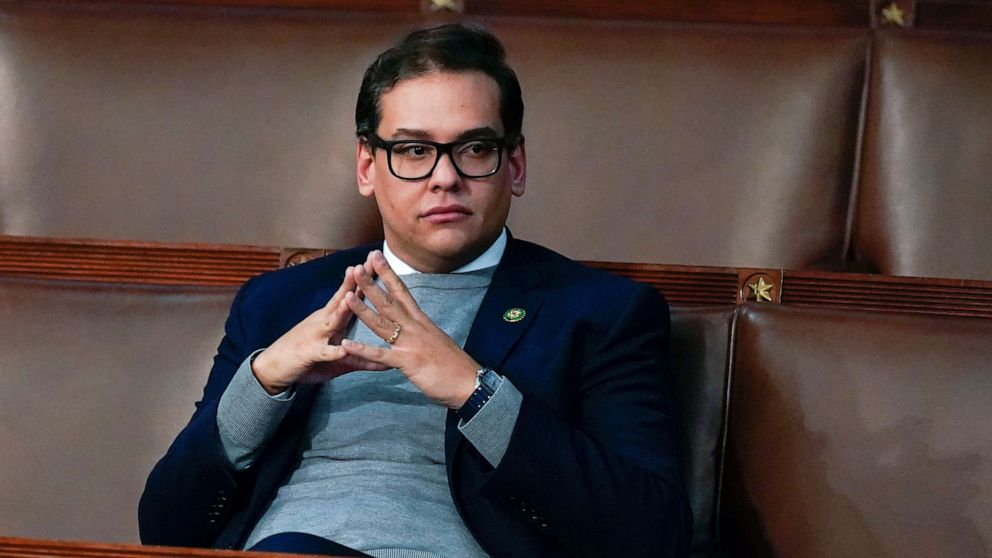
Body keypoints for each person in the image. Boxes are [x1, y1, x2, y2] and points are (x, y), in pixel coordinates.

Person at [139, 23, 691, 558]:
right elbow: (164, 528)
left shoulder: (602, 313)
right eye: (412, 151)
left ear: (515, 165)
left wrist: (476, 393)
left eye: (475, 149)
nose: (445, 177)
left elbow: (652, 534)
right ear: (366, 166)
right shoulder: (277, 303)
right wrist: (261, 385)